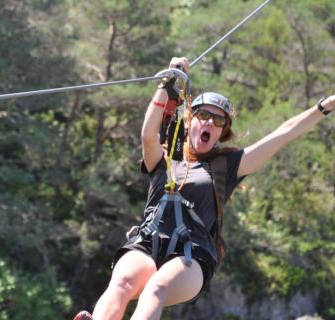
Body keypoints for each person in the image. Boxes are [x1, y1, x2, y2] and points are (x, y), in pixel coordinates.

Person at [73, 57, 335, 320]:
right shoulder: (164, 158)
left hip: (191, 255)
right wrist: (166, 85)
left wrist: (323, 107)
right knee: (121, 284)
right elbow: (147, 135)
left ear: (222, 133)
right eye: (204, 115)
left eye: (218, 121)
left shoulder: (227, 166)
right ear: (189, 121)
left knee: (156, 289)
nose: (210, 123)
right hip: (148, 242)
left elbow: (283, 133)